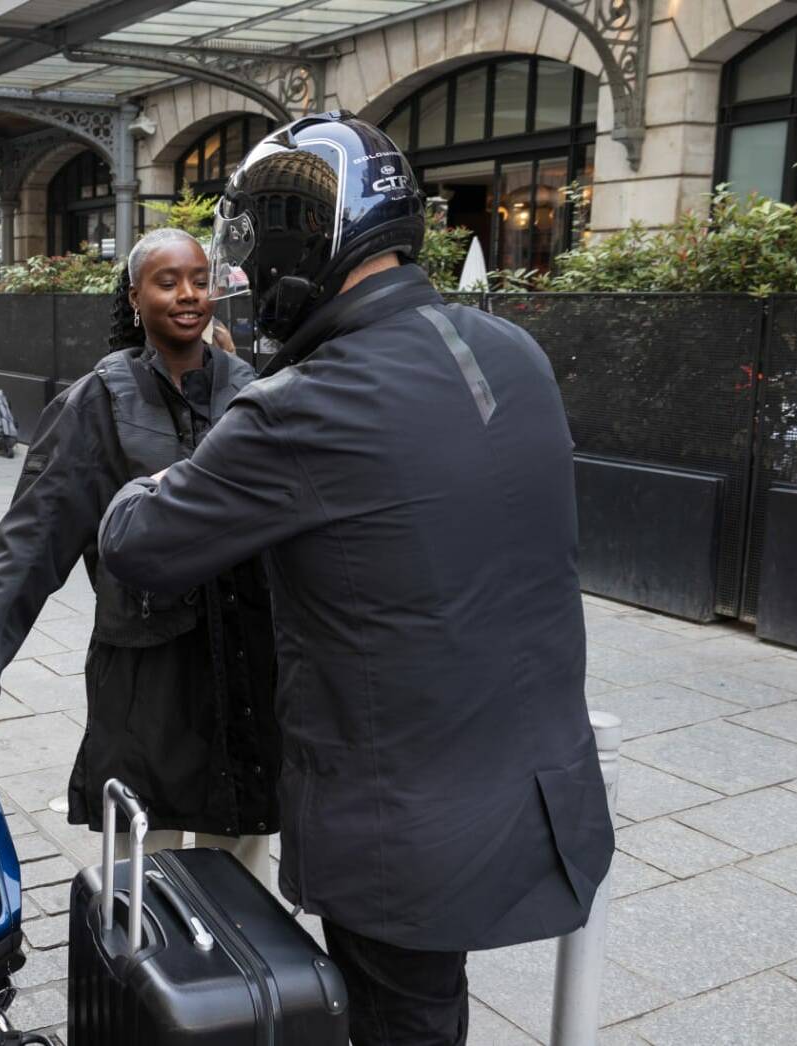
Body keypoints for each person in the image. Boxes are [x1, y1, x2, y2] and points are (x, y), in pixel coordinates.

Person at [96, 113, 613, 1046]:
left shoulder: (302, 404)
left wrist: (157, 462)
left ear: (302, 244)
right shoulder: (513, 353)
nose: (244, 286)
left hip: (398, 822)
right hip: (538, 781)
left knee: (397, 1020)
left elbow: (140, 540)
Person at [0, 229, 278, 883]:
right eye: (166, 281)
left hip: (243, 672)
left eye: (199, 279)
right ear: (133, 297)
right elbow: (30, 540)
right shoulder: (98, 401)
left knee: (241, 868)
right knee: (144, 877)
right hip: (145, 670)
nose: (187, 294)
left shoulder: (250, 391)